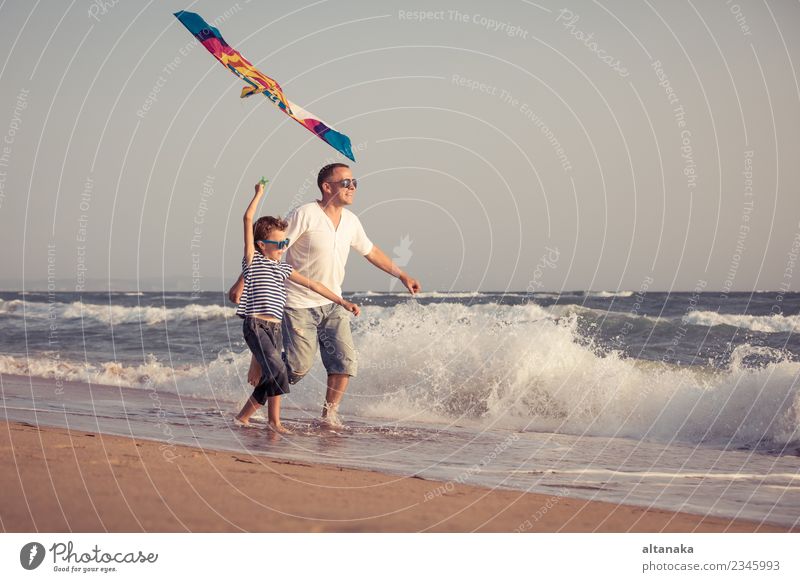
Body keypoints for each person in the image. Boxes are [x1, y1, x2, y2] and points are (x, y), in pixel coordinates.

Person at [230, 163, 421, 426]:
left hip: (332, 303)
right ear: (327, 186)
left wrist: (402, 275)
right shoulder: (305, 214)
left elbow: (371, 251)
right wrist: (243, 281)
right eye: (345, 182)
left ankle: (329, 417)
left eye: (355, 182)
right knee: (296, 368)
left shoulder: (352, 222)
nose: (352, 187)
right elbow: (272, 255)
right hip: (297, 304)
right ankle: (256, 390)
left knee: (344, 363)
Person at [234, 180, 360, 433]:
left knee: (277, 373)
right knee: (279, 370)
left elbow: (314, 285)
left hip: (276, 327)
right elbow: (248, 220)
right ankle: (274, 422)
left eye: (284, 243)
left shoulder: (283, 268)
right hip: (256, 325)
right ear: (261, 245)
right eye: (279, 244)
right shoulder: (253, 260)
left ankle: (245, 417)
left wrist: (342, 301)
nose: (283, 248)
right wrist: (259, 194)